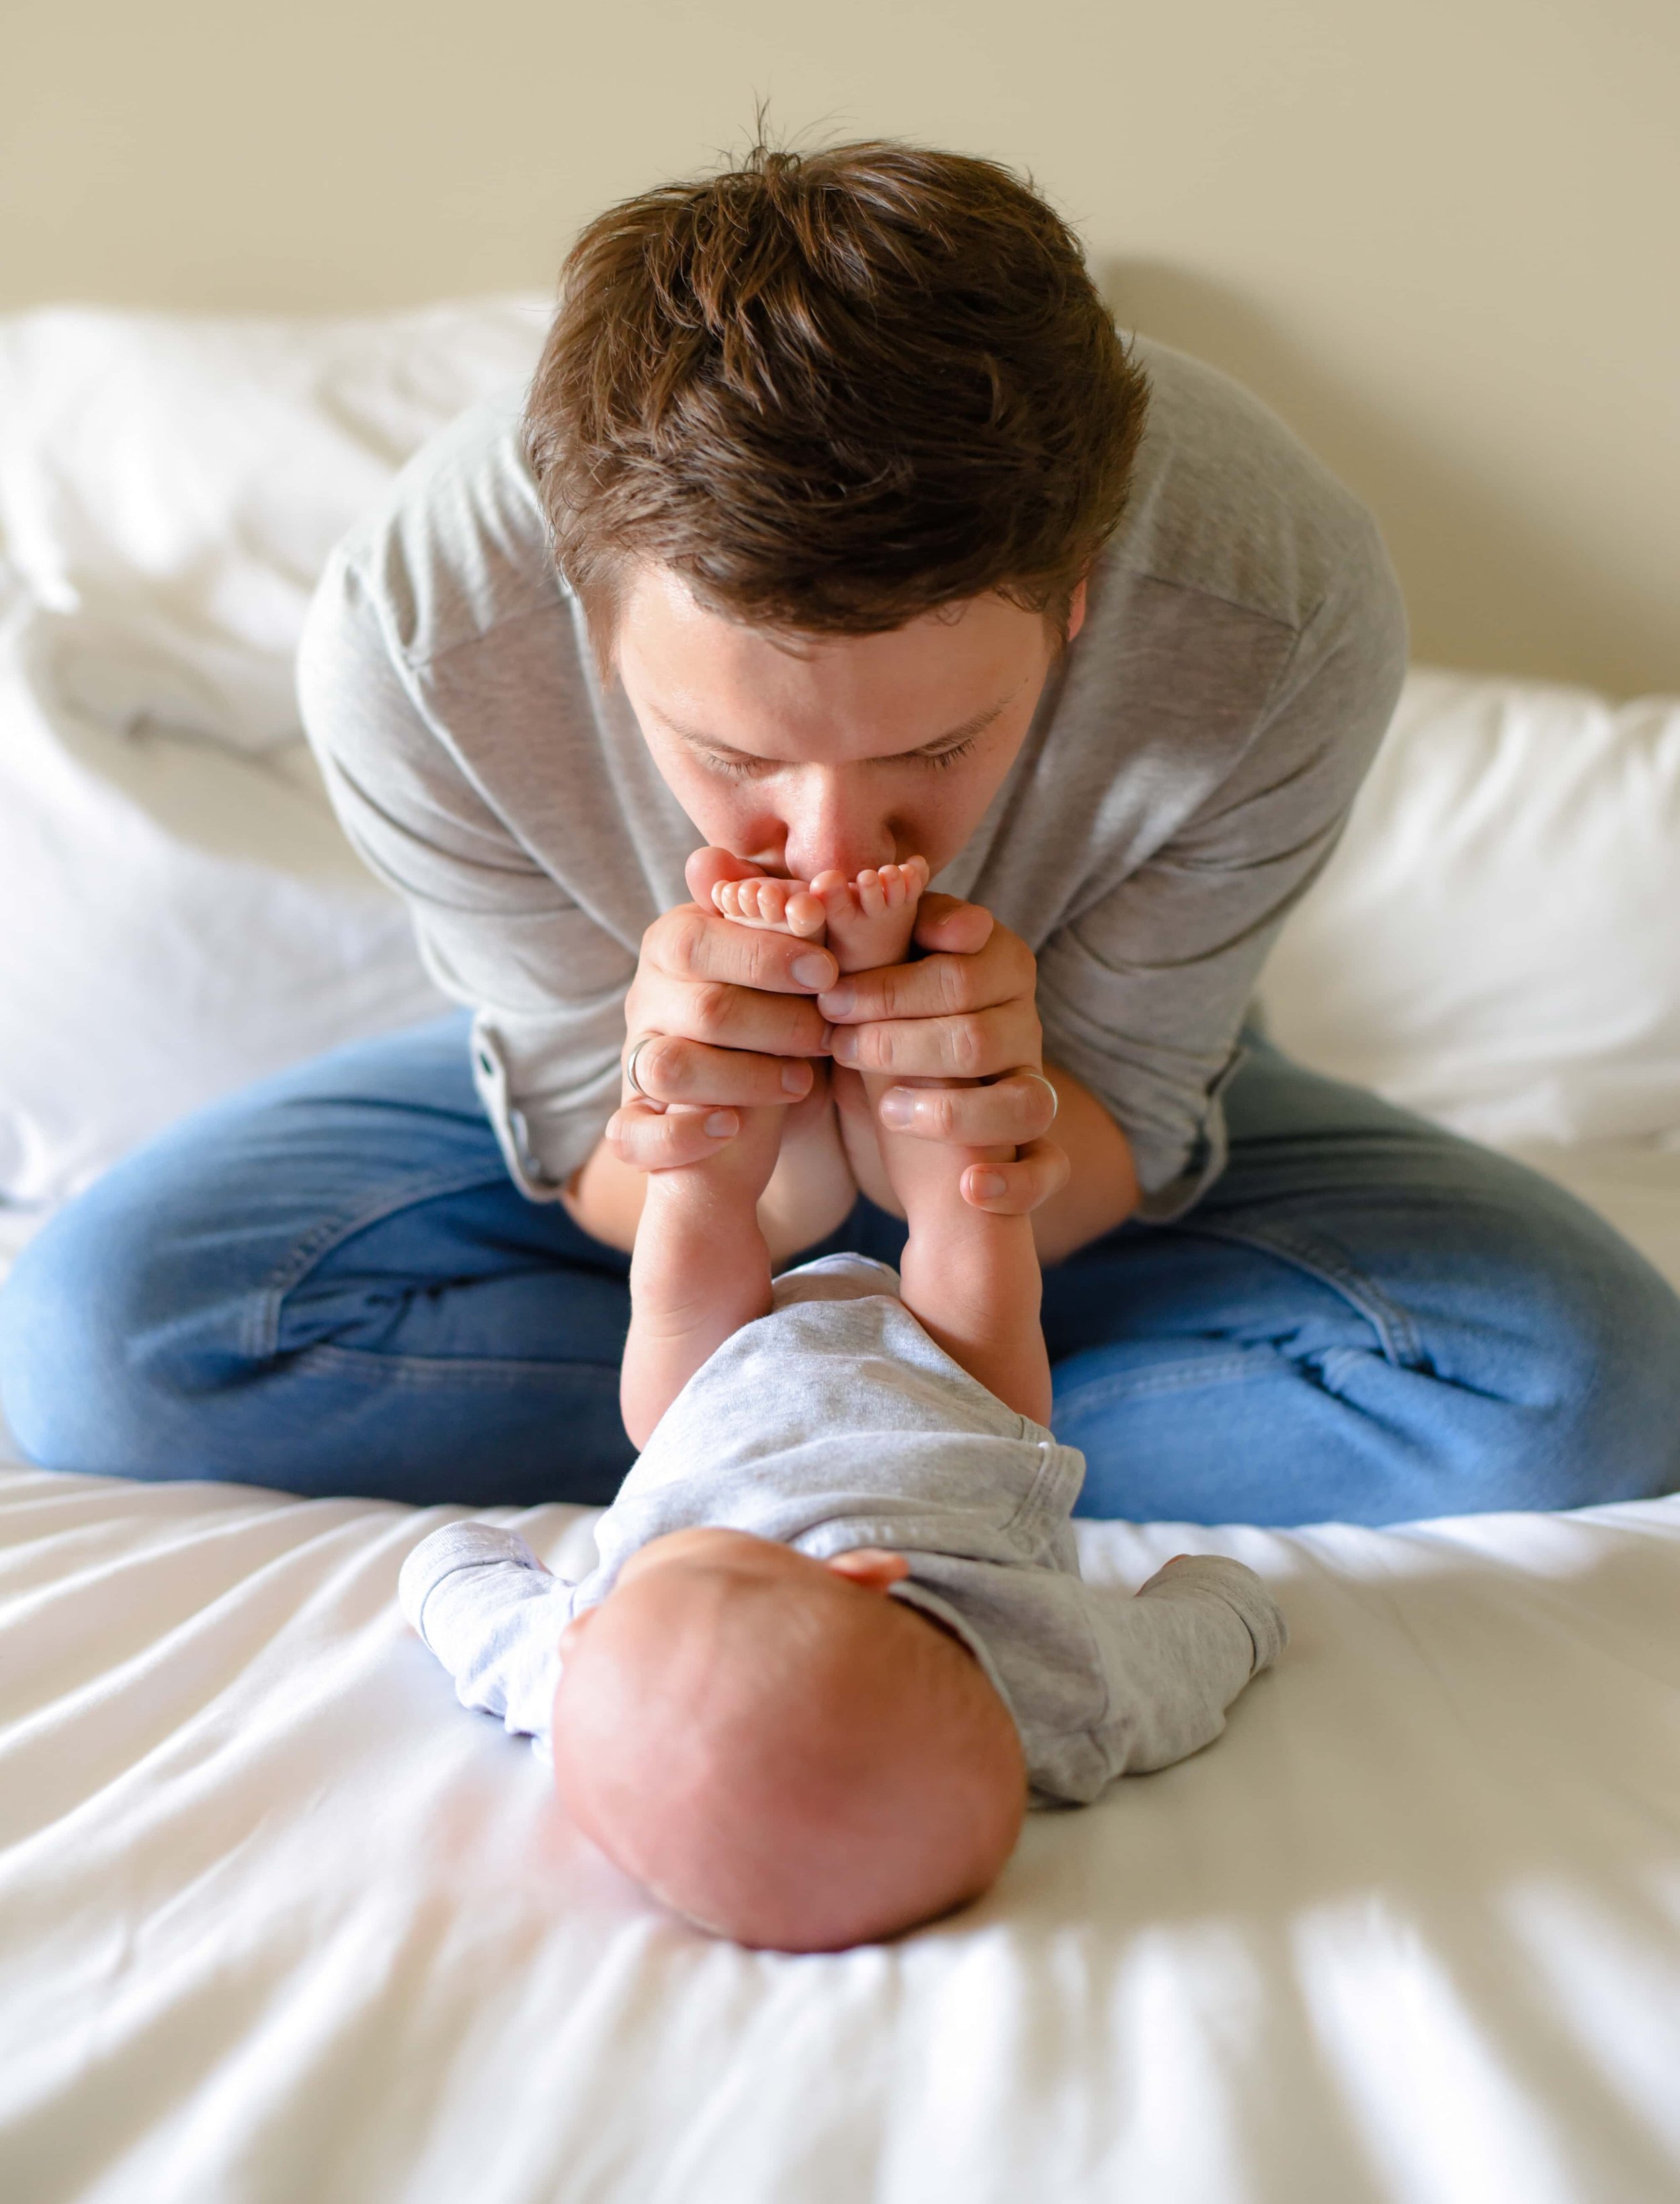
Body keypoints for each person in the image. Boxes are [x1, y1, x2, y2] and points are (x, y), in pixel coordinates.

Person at [3, 140, 1677, 1520]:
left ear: (1073, 597)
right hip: (617, 1107)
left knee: (1587, 1395)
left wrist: (955, 1158)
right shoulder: (423, 637)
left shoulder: (1271, 599)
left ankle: (786, 1448)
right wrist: (731, 1163)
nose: (822, 848)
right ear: (589, 624)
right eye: (731, 752)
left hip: (1076, 1109)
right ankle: (913, 1446)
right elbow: (586, 1149)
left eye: (939, 745)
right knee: (88, 1348)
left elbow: (1128, 1125)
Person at [399, 861, 1285, 1951]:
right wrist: (1232, 1602)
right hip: (953, 1401)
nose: (599, 1600)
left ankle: (740, 1130)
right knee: (971, 1224)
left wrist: (445, 1567)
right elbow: (1196, 1651)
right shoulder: (1069, 1697)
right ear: (864, 1570)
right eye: (693, 1568)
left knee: (689, 1240)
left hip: (711, 1394)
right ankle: (894, 1023)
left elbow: (470, 1606)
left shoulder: (592, 1686)